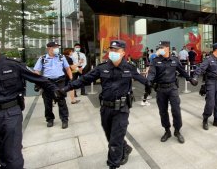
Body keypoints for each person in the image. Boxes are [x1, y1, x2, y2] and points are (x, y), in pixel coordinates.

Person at [0, 31, 62, 168]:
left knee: (12, 159)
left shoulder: (13, 65)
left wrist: (56, 90)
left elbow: (39, 79)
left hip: (10, 115)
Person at [62, 40, 151, 169]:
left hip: (122, 109)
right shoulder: (102, 67)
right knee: (110, 136)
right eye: (111, 50)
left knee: (114, 141)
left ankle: (113, 165)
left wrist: (151, 85)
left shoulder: (129, 67)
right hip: (105, 108)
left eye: (116, 50)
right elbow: (84, 80)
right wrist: (65, 88)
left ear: (123, 53)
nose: (113, 52)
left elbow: (143, 79)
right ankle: (125, 148)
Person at [147, 41, 198, 143]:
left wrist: (190, 79)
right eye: (159, 47)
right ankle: (167, 131)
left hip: (172, 88)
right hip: (161, 89)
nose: (159, 49)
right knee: (163, 111)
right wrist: (148, 82)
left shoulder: (174, 60)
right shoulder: (155, 61)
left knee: (176, 110)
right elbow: (151, 73)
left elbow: (182, 71)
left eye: (161, 47)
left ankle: (177, 131)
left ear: (167, 48)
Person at [34, 42, 73, 129]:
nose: (57, 48)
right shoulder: (43, 58)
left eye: (57, 47)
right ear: (49, 48)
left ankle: (64, 120)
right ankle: (50, 119)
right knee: (47, 102)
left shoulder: (61, 57)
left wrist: (71, 79)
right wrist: (37, 82)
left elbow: (67, 68)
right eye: (55, 47)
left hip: (60, 81)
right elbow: (37, 71)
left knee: (61, 100)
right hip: (47, 82)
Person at [193, 42, 217, 130]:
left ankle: (216, 120)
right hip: (211, 82)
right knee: (210, 103)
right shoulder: (208, 59)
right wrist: (195, 77)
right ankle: (205, 119)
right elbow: (200, 68)